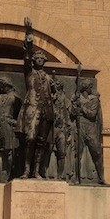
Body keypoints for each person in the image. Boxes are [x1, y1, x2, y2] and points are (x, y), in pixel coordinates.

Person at [15, 17, 55, 178]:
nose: (39, 60)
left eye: (41, 59)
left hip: (46, 111)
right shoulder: (29, 73)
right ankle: (26, 170)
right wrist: (29, 34)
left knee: (41, 142)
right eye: (36, 58)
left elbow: (54, 92)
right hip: (32, 109)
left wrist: (55, 94)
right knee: (30, 139)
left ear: (44, 61)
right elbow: (26, 55)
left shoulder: (48, 78)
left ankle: (36, 171)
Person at [72, 77, 108, 185]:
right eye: (89, 86)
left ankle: (101, 178)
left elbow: (92, 114)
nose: (91, 88)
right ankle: (76, 178)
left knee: (96, 152)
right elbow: (72, 114)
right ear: (85, 87)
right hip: (80, 126)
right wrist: (74, 105)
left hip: (90, 127)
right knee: (78, 152)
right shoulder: (77, 98)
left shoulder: (94, 99)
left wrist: (81, 108)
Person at [52, 77, 72, 180]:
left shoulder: (65, 98)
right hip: (51, 128)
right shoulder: (50, 97)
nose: (56, 85)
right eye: (55, 83)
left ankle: (60, 175)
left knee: (62, 153)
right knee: (47, 151)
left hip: (62, 128)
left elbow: (71, 112)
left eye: (58, 83)